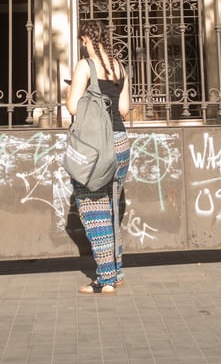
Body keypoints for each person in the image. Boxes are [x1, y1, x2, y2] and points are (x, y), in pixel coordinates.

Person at [64, 19, 131, 294]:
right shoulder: (120, 67)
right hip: (121, 143)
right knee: (113, 209)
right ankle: (115, 273)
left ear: (85, 40)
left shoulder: (85, 66)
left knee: (95, 214)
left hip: (95, 147)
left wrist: (70, 91)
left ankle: (105, 280)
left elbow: (72, 106)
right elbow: (125, 109)